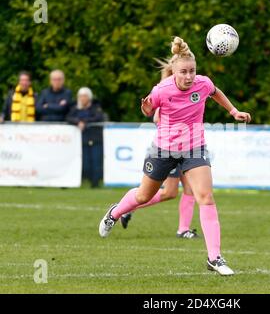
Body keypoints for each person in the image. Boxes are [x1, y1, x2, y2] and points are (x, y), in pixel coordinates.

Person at [99, 36, 251, 276]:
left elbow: (215, 91)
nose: (189, 76)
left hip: (194, 148)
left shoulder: (202, 83)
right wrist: (147, 107)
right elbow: (149, 110)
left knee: (206, 197)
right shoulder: (162, 89)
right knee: (143, 195)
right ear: (174, 71)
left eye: (192, 71)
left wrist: (233, 111)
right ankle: (115, 213)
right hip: (163, 150)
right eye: (183, 72)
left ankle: (215, 258)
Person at [120, 107, 199, 239]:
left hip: (187, 147)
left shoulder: (192, 94)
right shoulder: (168, 91)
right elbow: (157, 118)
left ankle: (183, 230)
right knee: (170, 192)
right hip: (169, 149)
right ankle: (128, 207)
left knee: (190, 188)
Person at [67, 87, 104, 187]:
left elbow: (98, 117)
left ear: (89, 97)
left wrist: (84, 122)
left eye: (85, 96)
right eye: (81, 96)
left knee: (96, 162)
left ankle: (95, 183)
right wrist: (78, 122)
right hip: (82, 140)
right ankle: (85, 180)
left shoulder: (95, 107)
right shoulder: (75, 108)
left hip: (95, 139)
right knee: (85, 163)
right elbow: (69, 118)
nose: (82, 99)